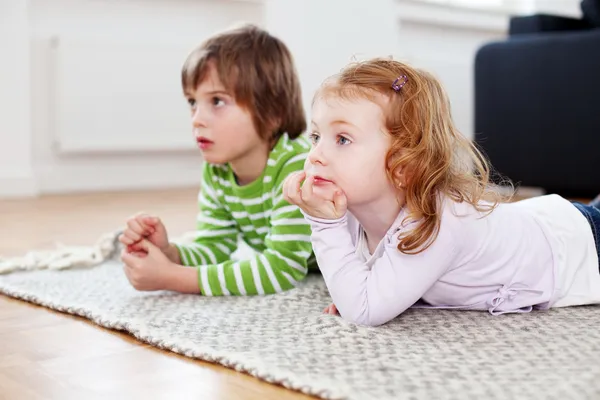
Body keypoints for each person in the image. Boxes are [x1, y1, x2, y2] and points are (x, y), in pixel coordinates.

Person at [284, 58, 600, 326]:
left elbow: (364, 310)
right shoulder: (352, 208)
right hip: (541, 225)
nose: (315, 154)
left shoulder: (435, 222)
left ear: (403, 165)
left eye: (342, 139)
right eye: (315, 136)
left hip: (581, 249)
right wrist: (352, 286)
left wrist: (325, 225)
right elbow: (368, 283)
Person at [119, 24, 315, 296]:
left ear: (272, 113)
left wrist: (171, 277)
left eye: (217, 101)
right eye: (192, 102)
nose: (197, 118)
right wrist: (169, 252)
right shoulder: (218, 171)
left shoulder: (298, 168)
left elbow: (282, 270)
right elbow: (214, 246)